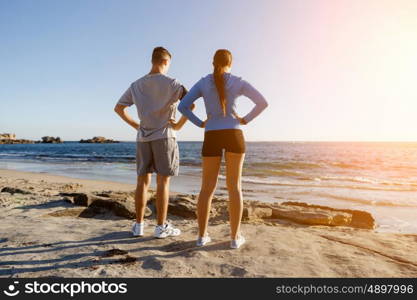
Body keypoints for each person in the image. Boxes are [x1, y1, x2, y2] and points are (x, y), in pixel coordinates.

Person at [178, 49, 268, 249]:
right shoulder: (238, 81)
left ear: (213, 62)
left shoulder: (203, 82)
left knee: (206, 188)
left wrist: (200, 123)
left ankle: (201, 237)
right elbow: (262, 103)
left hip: (212, 135)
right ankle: (235, 238)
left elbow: (182, 106)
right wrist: (245, 119)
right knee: (234, 187)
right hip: (234, 134)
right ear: (231, 63)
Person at [114, 46, 192, 239]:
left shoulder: (136, 85)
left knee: (142, 181)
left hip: (143, 138)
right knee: (163, 182)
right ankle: (160, 227)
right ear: (166, 61)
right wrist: (180, 125)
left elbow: (119, 108)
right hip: (165, 137)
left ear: (153, 60)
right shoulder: (172, 83)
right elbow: (190, 103)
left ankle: (139, 225)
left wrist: (136, 125)